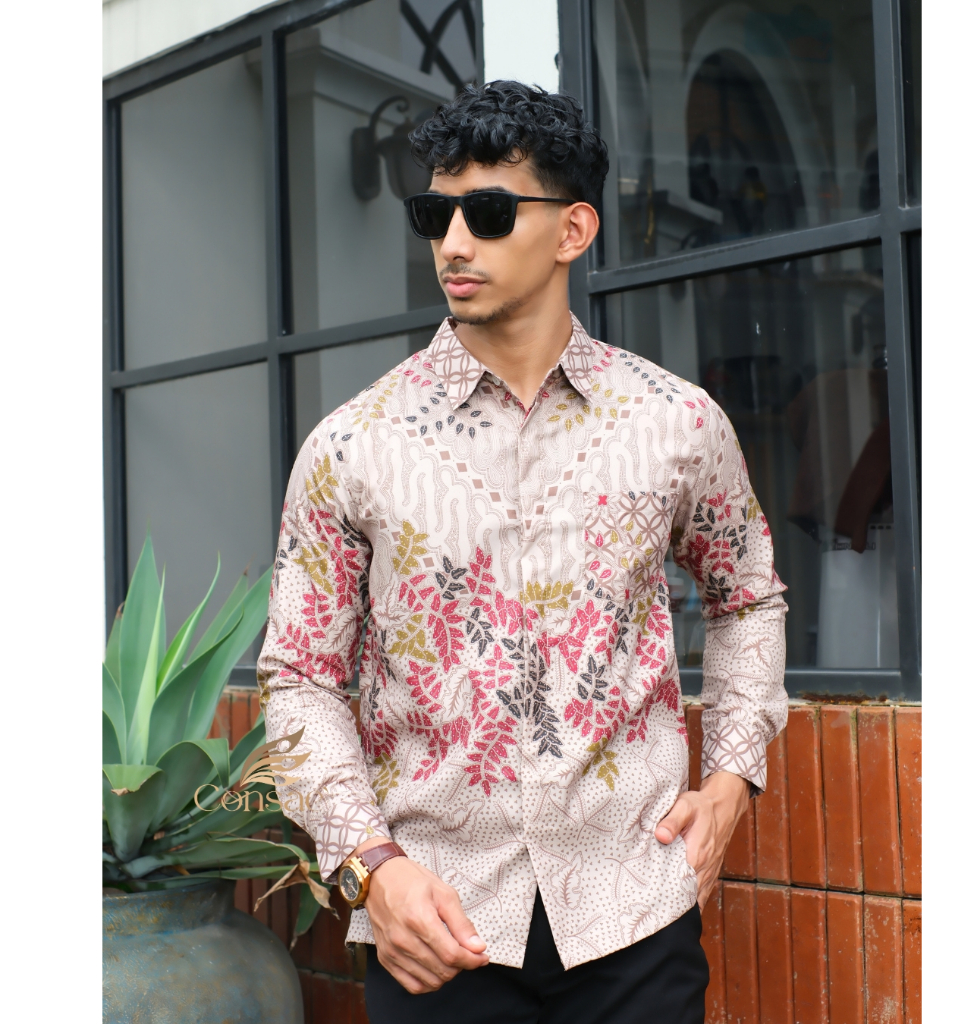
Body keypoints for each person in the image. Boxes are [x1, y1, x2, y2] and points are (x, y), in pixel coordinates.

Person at [257, 80, 788, 1024]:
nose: (454, 243)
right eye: (436, 214)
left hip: (634, 908)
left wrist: (730, 782)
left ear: (573, 229)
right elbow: (299, 678)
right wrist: (372, 868)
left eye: (490, 213)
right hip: (438, 925)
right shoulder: (352, 446)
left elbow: (748, 596)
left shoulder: (676, 422)